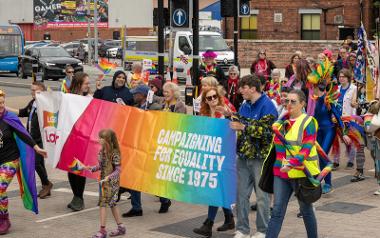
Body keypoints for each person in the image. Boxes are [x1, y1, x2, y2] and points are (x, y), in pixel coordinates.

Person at [266, 89, 319, 238]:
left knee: (306, 210)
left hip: (301, 173)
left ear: (302, 104)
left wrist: (292, 163)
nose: (289, 104)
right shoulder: (281, 122)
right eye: (287, 101)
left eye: (293, 101)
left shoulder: (308, 122)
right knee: (276, 212)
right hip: (281, 173)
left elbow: (307, 148)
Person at [230, 74, 278, 238]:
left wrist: (243, 127)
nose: (240, 91)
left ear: (252, 88)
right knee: (241, 195)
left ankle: (262, 230)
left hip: (260, 158)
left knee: (262, 197)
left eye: (243, 88)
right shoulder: (245, 104)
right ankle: (242, 229)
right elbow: (240, 120)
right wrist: (229, 113)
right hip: (243, 156)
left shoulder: (268, 106)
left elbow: (267, 132)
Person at [0, 89, 46, 234]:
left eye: (2, 103)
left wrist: (37, 148)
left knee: (0, 188)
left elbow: (23, 134)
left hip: (10, 159)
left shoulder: (9, 118)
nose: (1, 106)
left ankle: (4, 219)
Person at [122, 84, 171, 217]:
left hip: (151, 147)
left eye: (135, 94)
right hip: (138, 146)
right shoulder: (136, 107)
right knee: (133, 177)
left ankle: (165, 200)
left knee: (153, 178)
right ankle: (136, 208)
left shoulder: (154, 107)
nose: (133, 95)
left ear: (143, 95)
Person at [193, 87, 235, 237]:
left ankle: (208, 224)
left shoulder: (225, 111)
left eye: (214, 97)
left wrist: (229, 117)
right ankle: (229, 218)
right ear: (205, 100)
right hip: (210, 154)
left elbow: (233, 128)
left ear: (218, 97)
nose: (212, 100)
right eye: (209, 98)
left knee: (215, 189)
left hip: (223, 155)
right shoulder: (203, 114)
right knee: (220, 188)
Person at [6, 82, 53, 199]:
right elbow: (22, 112)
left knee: (36, 163)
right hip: (31, 138)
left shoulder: (45, 104)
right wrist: (4, 108)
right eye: (31, 90)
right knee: (40, 163)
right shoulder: (33, 103)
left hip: (40, 138)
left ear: (42, 92)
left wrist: (49, 96)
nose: (32, 92)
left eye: (35, 90)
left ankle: (47, 183)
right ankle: (46, 185)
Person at [85, 129, 126, 238]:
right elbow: (101, 165)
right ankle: (121, 227)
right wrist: (91, 168)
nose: (99, 140)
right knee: (112, 204)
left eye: (101, 138)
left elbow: (118, 170)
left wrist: (109, 177)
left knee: (103, 204)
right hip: (103, 182)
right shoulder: (102, 151)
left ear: (107, 140)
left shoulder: (115, 153)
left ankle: (102, 231)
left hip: (111, 183)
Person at [67, 72, 91, 211]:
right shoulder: (69, 98)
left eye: (88, 83)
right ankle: (75, 196)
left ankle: (79, 197)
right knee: (70, 167)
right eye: (86, 83)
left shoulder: (89, 98)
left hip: (83, 139)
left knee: (79, 168)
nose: (88, 86)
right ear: (78, 85)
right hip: (70, 138)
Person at [333, 69, 359, 170]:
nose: (341, 78)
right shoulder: (337, 89)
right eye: (340, 77)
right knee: (335, 140)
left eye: (343, 77)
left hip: (348, 118)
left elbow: (355, 103)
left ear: (348, 78)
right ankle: (335, 161)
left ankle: (351, 160)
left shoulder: (354, 88)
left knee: (349, 140)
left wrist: (355, 104)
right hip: (336, 118)